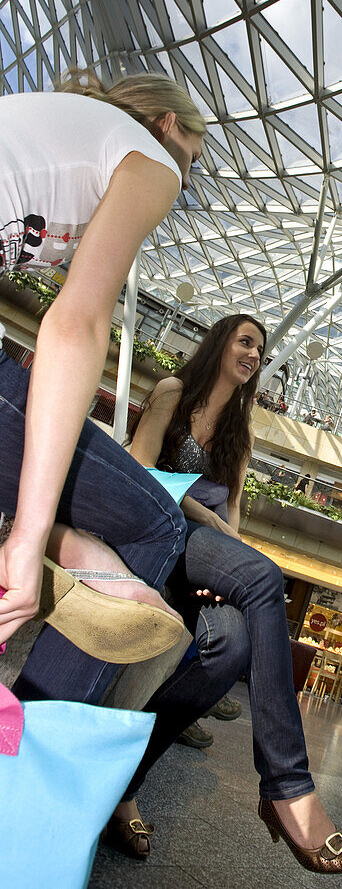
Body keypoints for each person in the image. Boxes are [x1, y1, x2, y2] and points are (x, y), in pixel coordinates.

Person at [107, 315, 342, 873]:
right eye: (245, 341)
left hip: (206, 555)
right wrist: (212, 526)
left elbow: (235, 515)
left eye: (260, 350)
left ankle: (123, 786)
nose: (252, 355)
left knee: (231, 649)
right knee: (265, 575)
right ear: (221, 341)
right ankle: (285, 783)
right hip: (157, 531)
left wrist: (229, 567)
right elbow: (141, 470)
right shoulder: (175, 393)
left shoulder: (240, 432)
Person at [0, 68, 207, 703]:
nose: (188, 177)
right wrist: (31, 534)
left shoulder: (60, 136)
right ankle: (36, 768)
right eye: (192, 158)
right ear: (168, 126)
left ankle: (68, 541)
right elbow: (77, 323)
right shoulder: (149, 158)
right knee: (154, 524)